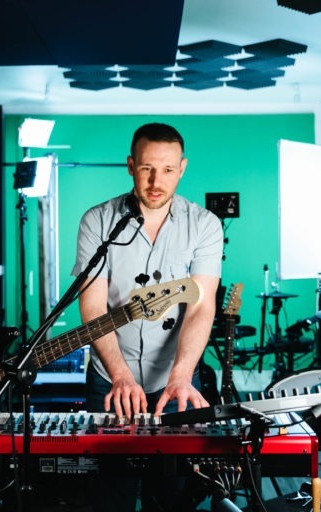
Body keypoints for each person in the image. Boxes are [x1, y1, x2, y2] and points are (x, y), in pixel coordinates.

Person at [71, 122, 223, 511]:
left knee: (173, 496)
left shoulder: (204, 225)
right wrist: (120, 375)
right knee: (108, 494)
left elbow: (202, 304)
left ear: (182, 168)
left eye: (168, 170)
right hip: (109, 377)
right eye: (146, 168)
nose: (157, 181)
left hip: (177, 382)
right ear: (130, 166)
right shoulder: (98, 221)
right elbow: (92, 306)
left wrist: (181, 375)